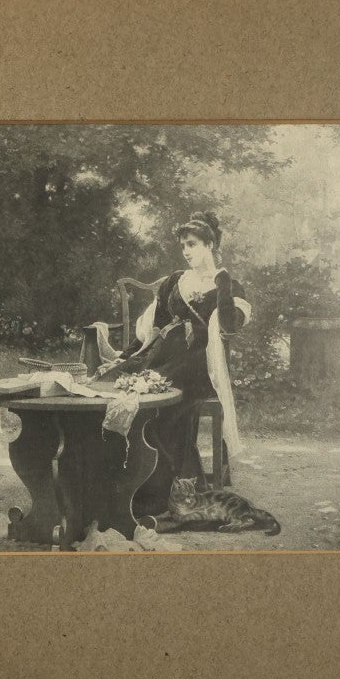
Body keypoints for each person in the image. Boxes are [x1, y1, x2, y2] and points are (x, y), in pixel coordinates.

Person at [97, 211, 251, 518]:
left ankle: (163, 493)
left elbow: (230, 327)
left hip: (199, 366)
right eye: (183, 247)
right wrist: (124, 357)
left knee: (159, 407)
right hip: (163, 357)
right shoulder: (175, 282)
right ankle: (128, 485)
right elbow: (152, 330)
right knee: (114, 385)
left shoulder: (230, 286)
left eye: (192, 244)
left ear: (210, 244)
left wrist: (222, 286)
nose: (187, 252)